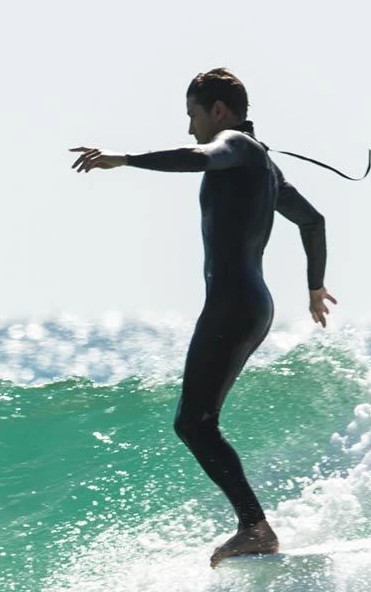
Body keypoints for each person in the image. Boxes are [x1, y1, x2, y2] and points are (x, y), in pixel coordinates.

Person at [71, 68, 336, 566]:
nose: (191, 126)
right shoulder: (265, 167)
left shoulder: (233, 143)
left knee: (194, 422)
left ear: (217, 110)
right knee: (197, 421)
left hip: (233, 301)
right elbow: (313, 220)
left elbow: (201, 156)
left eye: (193, 114)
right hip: (254, 304)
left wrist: (124, 160)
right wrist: (314, 286)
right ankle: (253, 526)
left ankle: (255, 528)